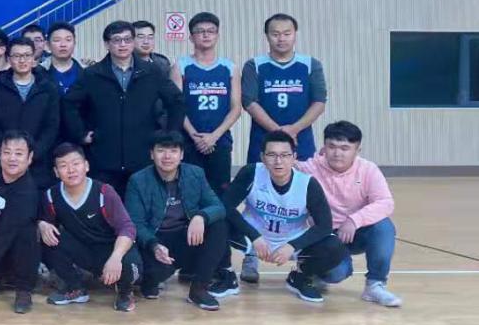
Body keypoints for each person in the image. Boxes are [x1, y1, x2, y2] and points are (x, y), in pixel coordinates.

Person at [223, 130, 349, 302]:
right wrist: (254, 236)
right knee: (215, 223)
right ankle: (225, 274)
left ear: (294, 157)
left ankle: (301, 277)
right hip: (253, 239)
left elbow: (324, 226)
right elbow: (226, 207)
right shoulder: (251, 173)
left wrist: (293, 245)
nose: (278, 161)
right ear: (262, 157)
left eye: (284, 155)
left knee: (334, 246)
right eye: (272, 155)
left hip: (291, 242)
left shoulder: (308, 184)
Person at [62, 20, 185, 196]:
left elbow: (177, 101)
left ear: (133, 42)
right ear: (107, 44)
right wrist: (80, 133)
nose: (122, 44)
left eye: (127, 39)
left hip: (142, 156)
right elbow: (69, 104)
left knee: (142, 206)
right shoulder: (92, 74)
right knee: (106, 208)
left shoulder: (152, 72)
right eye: (116, 40)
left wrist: (170, 134)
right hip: (104, 157)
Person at [298, 121, 400, 306]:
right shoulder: (310, 169)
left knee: (384, 227)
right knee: (337, 273)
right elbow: (282, 168)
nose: (337, 153)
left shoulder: (368, 170)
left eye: (345, 148)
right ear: (324, 147)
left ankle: (375, 285)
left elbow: (385, 202)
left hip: (355, 232)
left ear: (357, 150)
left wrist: (354, 220)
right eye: (332, 146)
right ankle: (314, 270)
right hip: (324, 235)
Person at [124, 131, 230, 311]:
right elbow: (135, 223)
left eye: (173, 151)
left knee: (219, 226)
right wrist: (154, 245)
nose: (167, 156)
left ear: (181, 155)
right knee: (154, 275)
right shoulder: (138, 180)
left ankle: (199, 289)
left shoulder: (195, 174)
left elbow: (218, 207)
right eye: (161, 150)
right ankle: (150, 281)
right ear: (152, 154)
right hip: (155, 240)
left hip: (185, 237)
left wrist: (201, 216)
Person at [40, 143, 141, 313]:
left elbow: (127, 228)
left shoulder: (104, 192)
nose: (71, 170)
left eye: (76, 163)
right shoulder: (51, 195)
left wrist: (115, 257)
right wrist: (42, 224)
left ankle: (125, 292)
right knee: (50, 237)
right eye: (63, 166)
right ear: (56, 172)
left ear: (86, 166)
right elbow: (45, 221)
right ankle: (75, 287)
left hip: (113, 249)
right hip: (85, 250)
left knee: (131, 265)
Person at [170, 12, 241, 192]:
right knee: (189, 192)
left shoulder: (230, 67)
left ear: (217, 35)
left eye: (211, 31)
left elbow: (236, 108)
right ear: (191, 37)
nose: (206, 35)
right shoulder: (180, 66)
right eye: (200, 31)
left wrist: (214, 136)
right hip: (189, 141)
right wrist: (195, 136)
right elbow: (176, 107)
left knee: (219, 194)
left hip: (220, 140)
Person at [243, 13, 327, 163]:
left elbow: (319, 102)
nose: (281, 39)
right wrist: (278, 131)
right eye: (275, 34)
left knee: (303, 176)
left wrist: (293, 129)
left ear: (295, 34)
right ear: (267, 36)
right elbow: (249, 102)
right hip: (263, 139)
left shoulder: (311, 64)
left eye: (287, 34)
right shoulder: (254, 65)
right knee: (260, 176)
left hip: (300, 139)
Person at [0, 131, 41, 314]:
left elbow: (6, 233)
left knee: (26, 232)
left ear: (29, 158)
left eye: (19, 154)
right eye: (7, 152)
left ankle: (24, 290)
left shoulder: (27, 192)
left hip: (8, 243)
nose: (12, 158)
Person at [0, 38, 62, 182]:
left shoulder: (48, 88)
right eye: (17, 56)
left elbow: (52, 126)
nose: (22, 60)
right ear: (9, 59)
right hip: (3, 163)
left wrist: (32, 154)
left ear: (34, 58)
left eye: (27, 55)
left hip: (39, 164)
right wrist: (8, 152)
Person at [47, 21, 83, 95]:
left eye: (68, 40)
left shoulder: (87, 71)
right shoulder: (39, 72)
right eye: (57, 40)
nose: (63, 44)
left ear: (74, 43)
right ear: (48, 45)